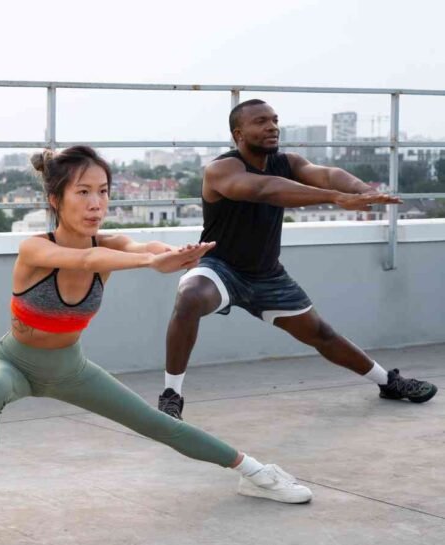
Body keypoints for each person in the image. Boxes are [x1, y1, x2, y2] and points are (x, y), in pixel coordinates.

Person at [0, 146, 312, 545]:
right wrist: (150, 265)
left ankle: (256, 472)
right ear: (55, 200)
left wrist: (172, 255)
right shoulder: (35, 248)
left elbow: (143, 248)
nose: (95, 203)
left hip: (69, 368)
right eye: (82, 192)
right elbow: (84, 260)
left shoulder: (115, 243)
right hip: (12, 360)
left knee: (159, 424)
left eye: (103, 191)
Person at [158, 99, 435, 419]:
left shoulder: (287, 162)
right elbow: (264, 190)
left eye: (274, 120)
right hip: (220, 267)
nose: (272, 126)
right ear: (239, 133)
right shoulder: (222, 169)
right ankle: (171, 394)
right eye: (261, 121)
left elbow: (328, 174)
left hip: (267, 275)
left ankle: (388, 382)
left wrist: (361, 192)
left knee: (322, 334)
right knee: (190, 297)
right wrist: (335, 198)